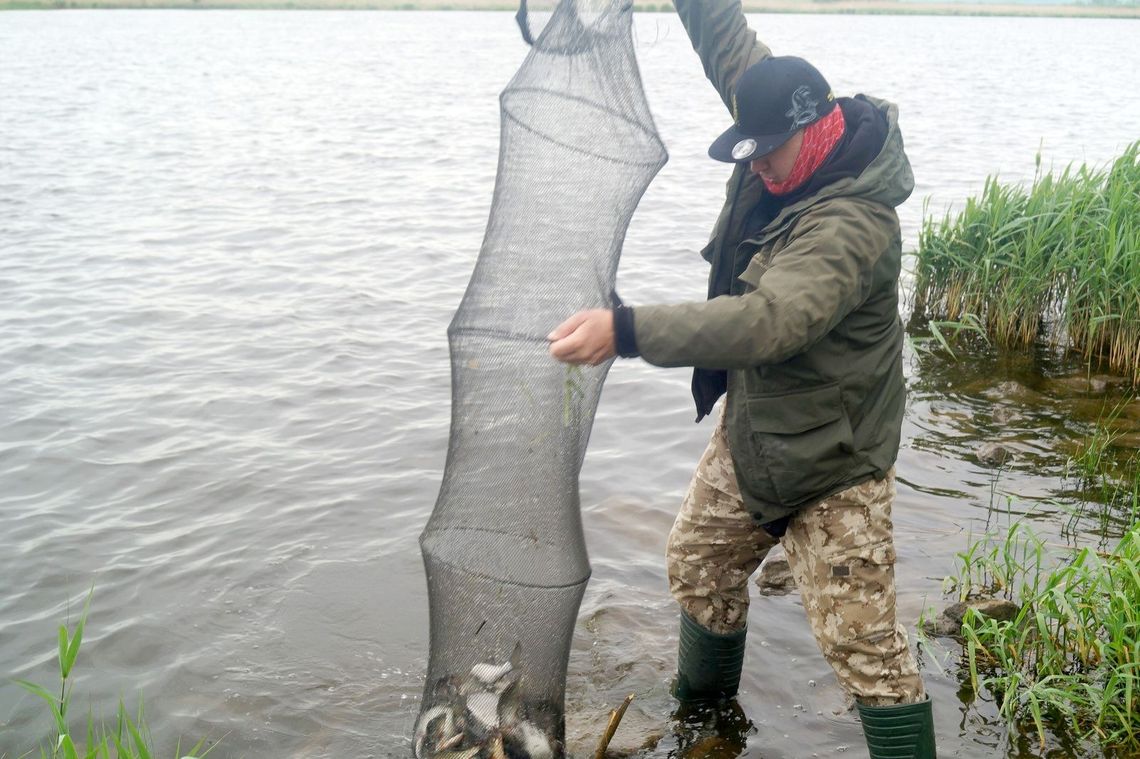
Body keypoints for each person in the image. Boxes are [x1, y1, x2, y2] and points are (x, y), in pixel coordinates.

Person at [546, 2, 935, 757]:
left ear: (815, 133)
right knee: (698, 565)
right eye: (747, 151)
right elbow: (727, 41)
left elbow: (767, 323)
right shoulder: (780, 112)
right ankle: (708, 726)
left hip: (833, 462)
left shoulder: (854, 225)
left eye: (766, 155)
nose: (754, 166)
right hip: (757, 432)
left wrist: (625, 330)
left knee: (868, 657)